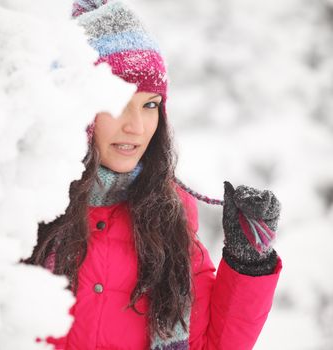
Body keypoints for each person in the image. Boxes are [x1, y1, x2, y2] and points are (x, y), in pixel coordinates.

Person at [23, 0, 283, 349]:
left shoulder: (169, 219)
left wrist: (248, 263)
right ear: (75, 106)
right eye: (117, 103)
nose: (136, 126)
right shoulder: (22, 204)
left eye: (150, 105)